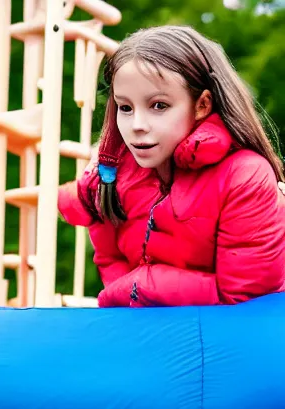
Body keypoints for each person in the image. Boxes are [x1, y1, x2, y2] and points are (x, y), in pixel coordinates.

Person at [58, 25, 285, 308]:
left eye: (159, 106)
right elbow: (110, 257)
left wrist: (139, 287)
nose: (137, 126)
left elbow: (246, 299)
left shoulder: (244, 176)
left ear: (202, 104)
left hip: (228, 345)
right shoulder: (113, 175)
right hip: (148, 337)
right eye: (125, 108)